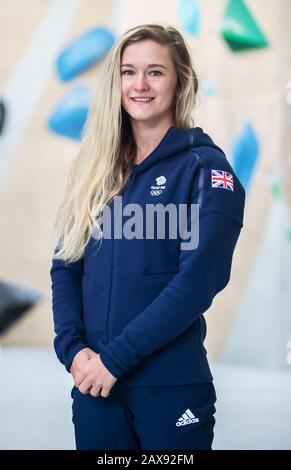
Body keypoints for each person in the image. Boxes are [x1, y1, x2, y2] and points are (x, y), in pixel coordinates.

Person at [50, 23, 245, 451]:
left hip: (169, 388)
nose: (140, 84)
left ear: (181, 82)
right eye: (128, 72)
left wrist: (114, 360)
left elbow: (198, 282)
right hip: (95, 388)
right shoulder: (96, 172)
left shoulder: (206, 172)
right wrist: (73, 350)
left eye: (155, 72)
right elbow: (66, 264)